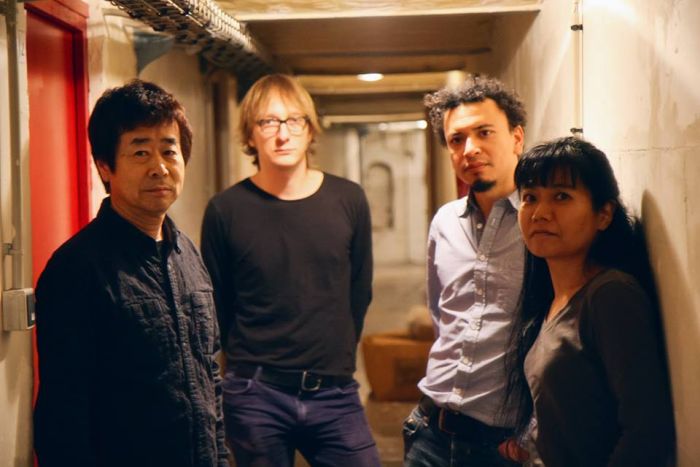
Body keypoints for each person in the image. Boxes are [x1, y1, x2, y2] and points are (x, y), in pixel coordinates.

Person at [33, 80, 228, 467]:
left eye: (169, 151)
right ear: (105, 166)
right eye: (140, 152)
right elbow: (63, 415)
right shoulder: (76, 268)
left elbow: (209, 378)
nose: (160, 167)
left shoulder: (188, 254)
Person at [200, 74, 379, 467]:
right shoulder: (225, 210)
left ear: (310, 129)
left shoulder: (348, 199)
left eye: (293, 120)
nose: (282, 134)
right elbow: (218, 305)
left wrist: (335, 356)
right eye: (268, 122)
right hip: (255, 393)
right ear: (250, 135)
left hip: (334, 392)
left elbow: (359, 290)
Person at [506, 136, 675, 466]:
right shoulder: (553, 296)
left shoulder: (611, 296)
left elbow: (647, 433)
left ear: (604, 214)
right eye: (530, 197)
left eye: (561, 196)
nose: (540, 213)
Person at [403, 75, 527, 466]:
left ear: (517, 138)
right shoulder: (445, 221)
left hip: (503, 445)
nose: (469, 149)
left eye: (484, 132)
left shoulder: (541, 221)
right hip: (429, 432)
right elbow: (442, 317)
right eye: (457, 140)